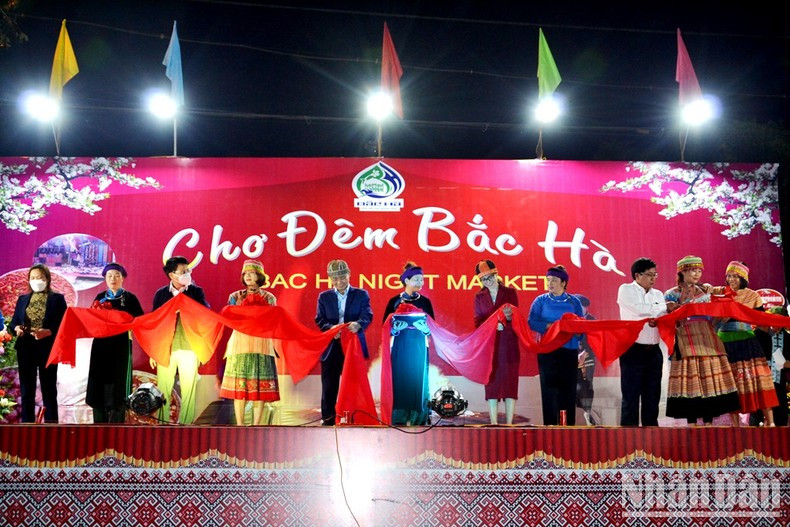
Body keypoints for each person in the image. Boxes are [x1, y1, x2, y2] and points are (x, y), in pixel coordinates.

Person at [664, 256, 739, 425]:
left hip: (707, 336)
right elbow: (669, 318)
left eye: (699, 270)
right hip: (686, 336)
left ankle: (708, 421)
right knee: (691, 379)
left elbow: (713, 316)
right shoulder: (671, 294)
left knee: (709, 378)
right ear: (682, 271)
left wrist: (723, 314)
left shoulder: (706, 291)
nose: (697, 274)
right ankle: (691, 422)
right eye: (693, 270)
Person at [710, 261, 779, 426]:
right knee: (731, 383)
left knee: (760, 379)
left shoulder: (753, 295)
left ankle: (770, 422)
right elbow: (712, 322)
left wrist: (772, 329)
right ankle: (736, 425)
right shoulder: (720, 294)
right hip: (725, 342)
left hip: (748, 341)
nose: (731, 279)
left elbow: (761, 319)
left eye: (735, 276)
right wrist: (721, 319)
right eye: (729, 276)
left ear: (743, 278)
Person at [616, 257, 677, 426]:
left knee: (652, 396)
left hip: (654, 351)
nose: (653, 278)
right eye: (649, 274)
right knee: (631, 396)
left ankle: (652, 441)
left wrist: (661, 313)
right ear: (637, 275)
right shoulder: (625, 290)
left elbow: (662, 316)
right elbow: (638, 309)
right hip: (632, 350)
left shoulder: (657, 294)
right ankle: (628, 441)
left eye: (655, 274)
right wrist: (663, 308)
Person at [220, 259, 280, 426]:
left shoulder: (269, 297)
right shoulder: (235, 297)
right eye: (245, 273)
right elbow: (229, 318)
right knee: (240, 389)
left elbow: (273, 321)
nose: (247, 276)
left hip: (262, 346)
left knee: (259, 390)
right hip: (240, 345)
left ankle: (256, 425)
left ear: (259, 276)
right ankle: (240, 425)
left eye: (251, 273)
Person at [151, 256, 210, 424]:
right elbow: (154, 321)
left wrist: (187, 308)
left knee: (188, 390)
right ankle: (162, 424)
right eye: (183, 272)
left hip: (190, 346)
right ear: (172, 275)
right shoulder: (161, 294)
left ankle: (186, 426)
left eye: (188, 271)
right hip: (166, 347)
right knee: (163, 389)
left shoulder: (196, 292)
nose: (187, 274)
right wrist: (153, 351)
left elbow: (206, 314)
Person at [315, 260, 373, 426]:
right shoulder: (324, 297)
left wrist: (359, 324)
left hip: (352, 346)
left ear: (349, 275)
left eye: (343, 277)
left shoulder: (361, 294)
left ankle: (352, 416)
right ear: (330, 279)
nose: (340, 281)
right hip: (332, 345)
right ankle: (328, 419)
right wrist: (331, 329)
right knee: (329, 384)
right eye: (336, 279)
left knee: (353, 383)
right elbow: (319, 319)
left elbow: (367, 315)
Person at [86, 263, 144, 423]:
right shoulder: (99, 298)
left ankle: (117, 424)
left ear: (123, 278)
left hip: (121, 345)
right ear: (105, 278)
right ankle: (99, 422)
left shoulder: (130, 298)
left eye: (117, 275)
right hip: (100, 345)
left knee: (118, 382)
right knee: (98, 380)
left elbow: (139, 320)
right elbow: (92, 320)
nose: (113, 279)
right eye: (109, 275)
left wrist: (121, 318)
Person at [10, 264, 68, 422]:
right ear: (29, 280)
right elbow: (13, 323)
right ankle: (27, 424)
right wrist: (16, 328)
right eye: (33, 278)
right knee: (26, 390)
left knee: (48, 389)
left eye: (40, 277)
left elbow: (64, 325)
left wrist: (48, 331)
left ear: (47, 279)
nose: (37, 281)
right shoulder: (22, 299)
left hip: (47, 347)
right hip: (25, 347)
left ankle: (51, 424)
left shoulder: (58, 299)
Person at [528, 265, 584, 426]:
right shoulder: (541, 300)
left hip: (569, 350)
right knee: (549, 391)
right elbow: (532, 322)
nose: (550, 283)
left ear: (564, 283)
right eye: (548, 280)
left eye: (554, 280)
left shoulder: (574, 301)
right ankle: (550, 428)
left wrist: (575, 329)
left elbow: (581, 325)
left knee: (568, 391)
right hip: (547, 351)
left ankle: (567, 428)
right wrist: (553, 326)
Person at [383, 261, 435, 425]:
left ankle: (419, 419)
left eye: (422, 280)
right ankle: (399, 418)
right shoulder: (394, 301)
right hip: (400, 347)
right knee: (399, 380)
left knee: (418, 381)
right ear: (406, 280)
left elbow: (434, 329)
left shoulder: (425, 302)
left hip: (419, 346)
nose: (420, 283)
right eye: (417, 279)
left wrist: (424, 328)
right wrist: (395, 329)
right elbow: (385, 327)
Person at [472, 259, 519, 425]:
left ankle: (509, 423)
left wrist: (507, 319)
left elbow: (517, 317)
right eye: (484, 279)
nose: (488, 282)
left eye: (490, 277)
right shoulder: (479, 297)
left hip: (509, 344)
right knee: (492, 382)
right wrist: (492, 326)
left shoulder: (510, 292)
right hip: (490, 345)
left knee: (509, 381)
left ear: (496, 274)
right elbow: (478, 322)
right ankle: (493, 423)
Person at [574, 294, 598, 425]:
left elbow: (596, 342)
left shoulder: (592, 321)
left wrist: (584, 354)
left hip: (587, 358)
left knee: (587, 385)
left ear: (586, 307)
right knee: (570, 386)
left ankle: (587, 413)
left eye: (581, 307)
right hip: (571, 358)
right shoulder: (570, 318)